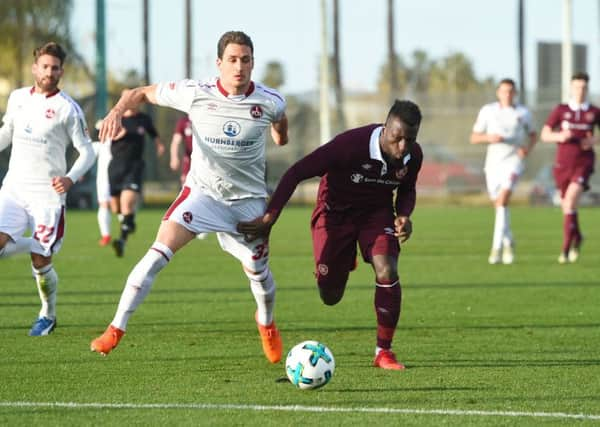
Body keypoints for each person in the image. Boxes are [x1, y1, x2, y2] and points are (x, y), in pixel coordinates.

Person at [90, 31, 289, 364]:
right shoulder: (195, 93)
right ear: (219, 63)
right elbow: (138, 93)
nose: (239, 67)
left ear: (253, 63)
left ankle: (266, 323)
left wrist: (280, 134)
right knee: (156, 253)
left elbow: (281, 124)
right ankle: (115, 328)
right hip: (203, 195)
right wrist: (116, 110)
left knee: (259, 273)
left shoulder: (270, 100)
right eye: (232, 60)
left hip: (249, 203)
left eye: (245, 60)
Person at [237, 100, 422, 370]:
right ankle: (345, 257)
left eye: (410, 139)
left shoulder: (412, 155)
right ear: (385, 128)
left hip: (375, 215)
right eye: (397, 138)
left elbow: (407, 189)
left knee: (387, 271)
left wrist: (404, 214)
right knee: (330, 296)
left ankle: (384, 351)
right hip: (334, 216)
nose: (403, 146)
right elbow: (296, 172)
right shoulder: (349, 146)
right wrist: (270, 217)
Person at [0, 42, 95, 336]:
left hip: (47, 195)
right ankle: (37, 243)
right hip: (14, 188)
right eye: (45, 66)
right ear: (34, 68)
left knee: (41, 261)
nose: (49, 72)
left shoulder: (68, 109)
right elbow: (6, 133)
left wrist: (70, 178)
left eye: (55, 68)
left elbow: (87, 152)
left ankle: (48, 314)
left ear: (61, 72)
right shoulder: (17, 98)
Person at [470, 78, 537, 264]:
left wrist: (527, 149)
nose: (507, 94)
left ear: (515, 93)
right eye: (504, 91)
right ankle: (509, 241)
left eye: (511, 91)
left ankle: (496, 248)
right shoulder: (488, 111)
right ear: (498, 93)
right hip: (493, 163)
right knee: (499, 205)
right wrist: (488, 137)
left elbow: (533, 134)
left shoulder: (523, 113)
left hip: (513, 161)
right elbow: (474, 137)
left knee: (503, 200)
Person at [540, 72, 600, 264]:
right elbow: (545, 134)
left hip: (584, 163)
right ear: (571, 88)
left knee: (570, 200)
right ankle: (578, 237)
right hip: (563, 164)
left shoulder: (594, 112)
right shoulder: (561, 110)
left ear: (587, 89)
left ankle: (565, 248)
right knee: (568, 205)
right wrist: (560, 136)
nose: (580, 91)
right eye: (576, 87)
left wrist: (594, 140)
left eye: (583, 87)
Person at [108, 100, 165, 257]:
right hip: (115, 166)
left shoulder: (144, 119)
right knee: (116, 209)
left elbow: (153, 134)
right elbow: (103, 134)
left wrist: (159, 145)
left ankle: (122, 241)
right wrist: (117, 133)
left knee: (127, 204)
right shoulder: (116, 118)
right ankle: (129, 221)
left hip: (135, 166)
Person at [92, 122, 113, 246]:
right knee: (104, 204)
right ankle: (106, 235)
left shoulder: (118, 140)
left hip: (117, 176)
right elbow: (88, 155)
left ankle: (123, 233)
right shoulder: (100, 144)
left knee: (119, 204)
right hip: (104, 178)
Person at [169, 114, 193, 186]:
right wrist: (174, 157)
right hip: (189, 159)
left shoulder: (205, 120)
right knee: (185, 183)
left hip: (205, 160)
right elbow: (176, 141)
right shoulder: (184, 121)